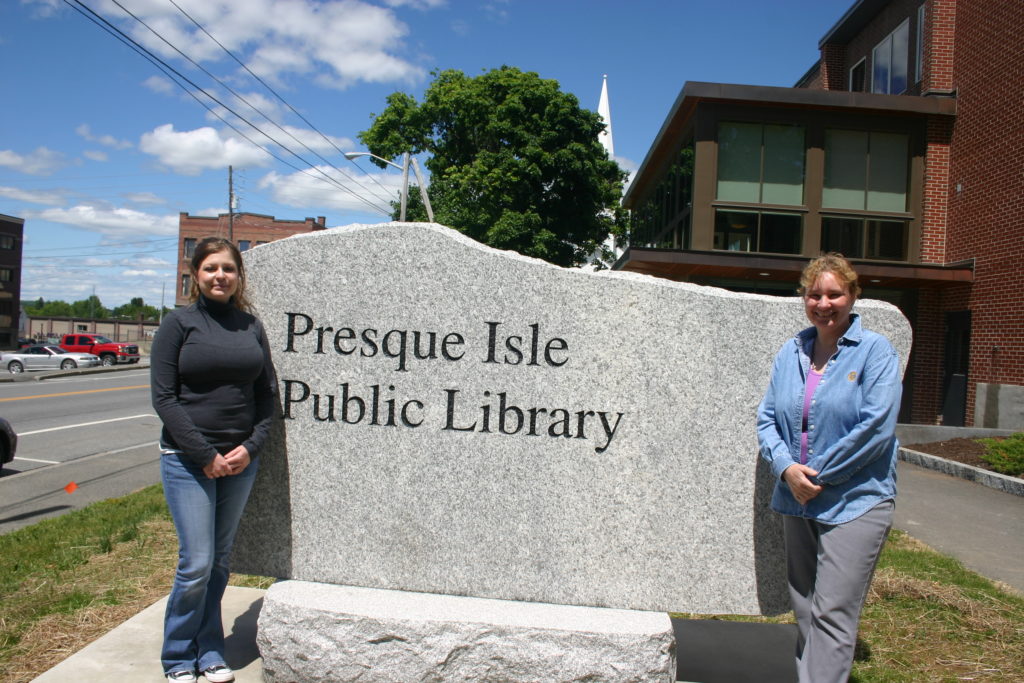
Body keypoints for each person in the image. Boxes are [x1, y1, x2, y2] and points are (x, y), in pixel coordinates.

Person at [756, 253, 902, 683]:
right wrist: (786, 469)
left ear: (854, 295)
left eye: (834, 294)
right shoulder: (791, 352)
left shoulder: (876, 351)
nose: (824, 303)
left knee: (834, 614)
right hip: (796, 498)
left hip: (856, 500)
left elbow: (876, 426)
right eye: (814, 294)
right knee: (805, 610)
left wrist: (815, 475)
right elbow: (767, 418)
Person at [151, 237, 276, 683]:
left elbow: (267, 397)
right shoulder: (178, 324)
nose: (219, 276)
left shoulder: (250, 326)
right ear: (195, 275)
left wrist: (250, 447)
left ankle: (210, 650)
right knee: (196, 563)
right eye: (210, 269)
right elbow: (164, 399)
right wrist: (205, 455)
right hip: (187, 460)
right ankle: (178, 657)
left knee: (220, 560)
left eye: (227, 268)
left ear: (238, 275)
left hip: (240, 460)